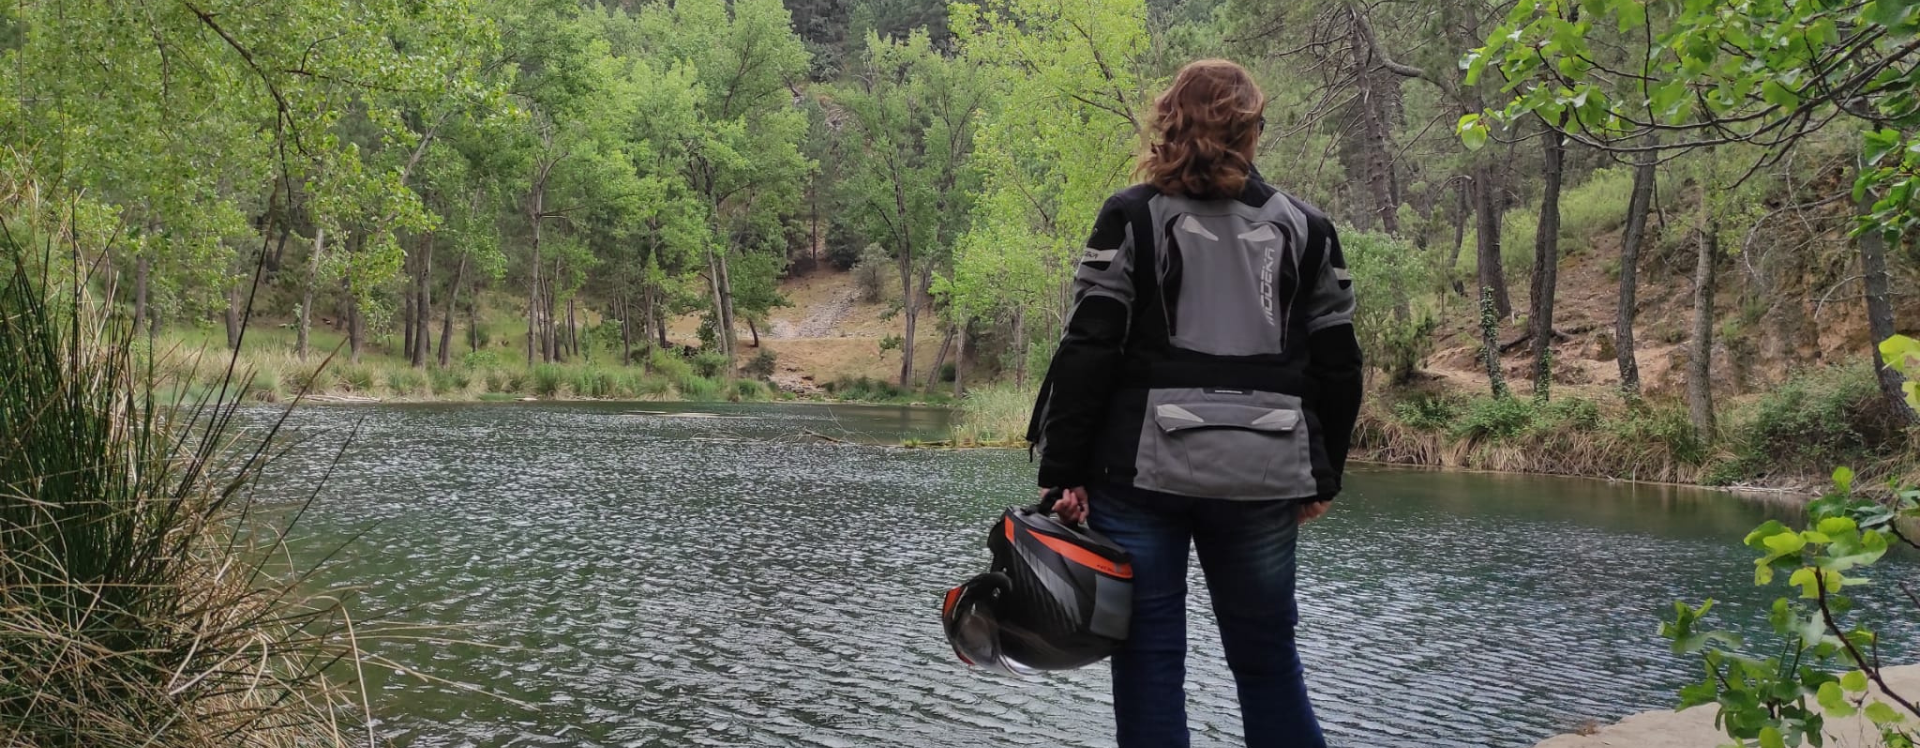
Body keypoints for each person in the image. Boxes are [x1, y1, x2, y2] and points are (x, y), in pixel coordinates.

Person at [1024, 59, 1363, 748]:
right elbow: (1339, 364)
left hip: (1140, 480)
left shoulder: (1129, 217)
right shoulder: (1308, 227)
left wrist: (1063, 472)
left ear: (1169, 122)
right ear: (1250, 131)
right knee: (1268, 662)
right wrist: (1323, 472)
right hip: (1265, 475)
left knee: (1150, 667)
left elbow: (1087, 352)